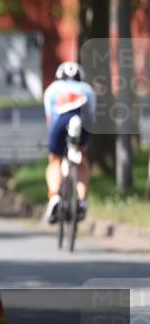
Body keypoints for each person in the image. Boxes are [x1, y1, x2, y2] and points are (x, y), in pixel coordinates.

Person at [43, 61, 95, 224]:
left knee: (55, 160)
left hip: (60, 120)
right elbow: (92, 118)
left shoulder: (52, 89)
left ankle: (55, 197)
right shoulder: (88, 89)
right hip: (83, 121)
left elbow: (49, 119)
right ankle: (82, 201)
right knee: (82, 160)